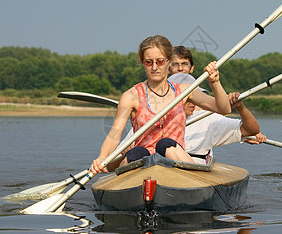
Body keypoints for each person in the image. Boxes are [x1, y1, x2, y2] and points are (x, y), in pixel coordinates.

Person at [89, 35, 231, 175]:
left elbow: (224, 109)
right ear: (143, 63)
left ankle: (192, 176)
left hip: (175, 161)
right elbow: (114, 134)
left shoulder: (185, 91)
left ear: (169, 62)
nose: (155, 67)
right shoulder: (130, 96)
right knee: (138, 153)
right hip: (141, 164)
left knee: (165, 144)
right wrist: (102, 158)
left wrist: (215, 83)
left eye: (160, 61)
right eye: (149, 62)